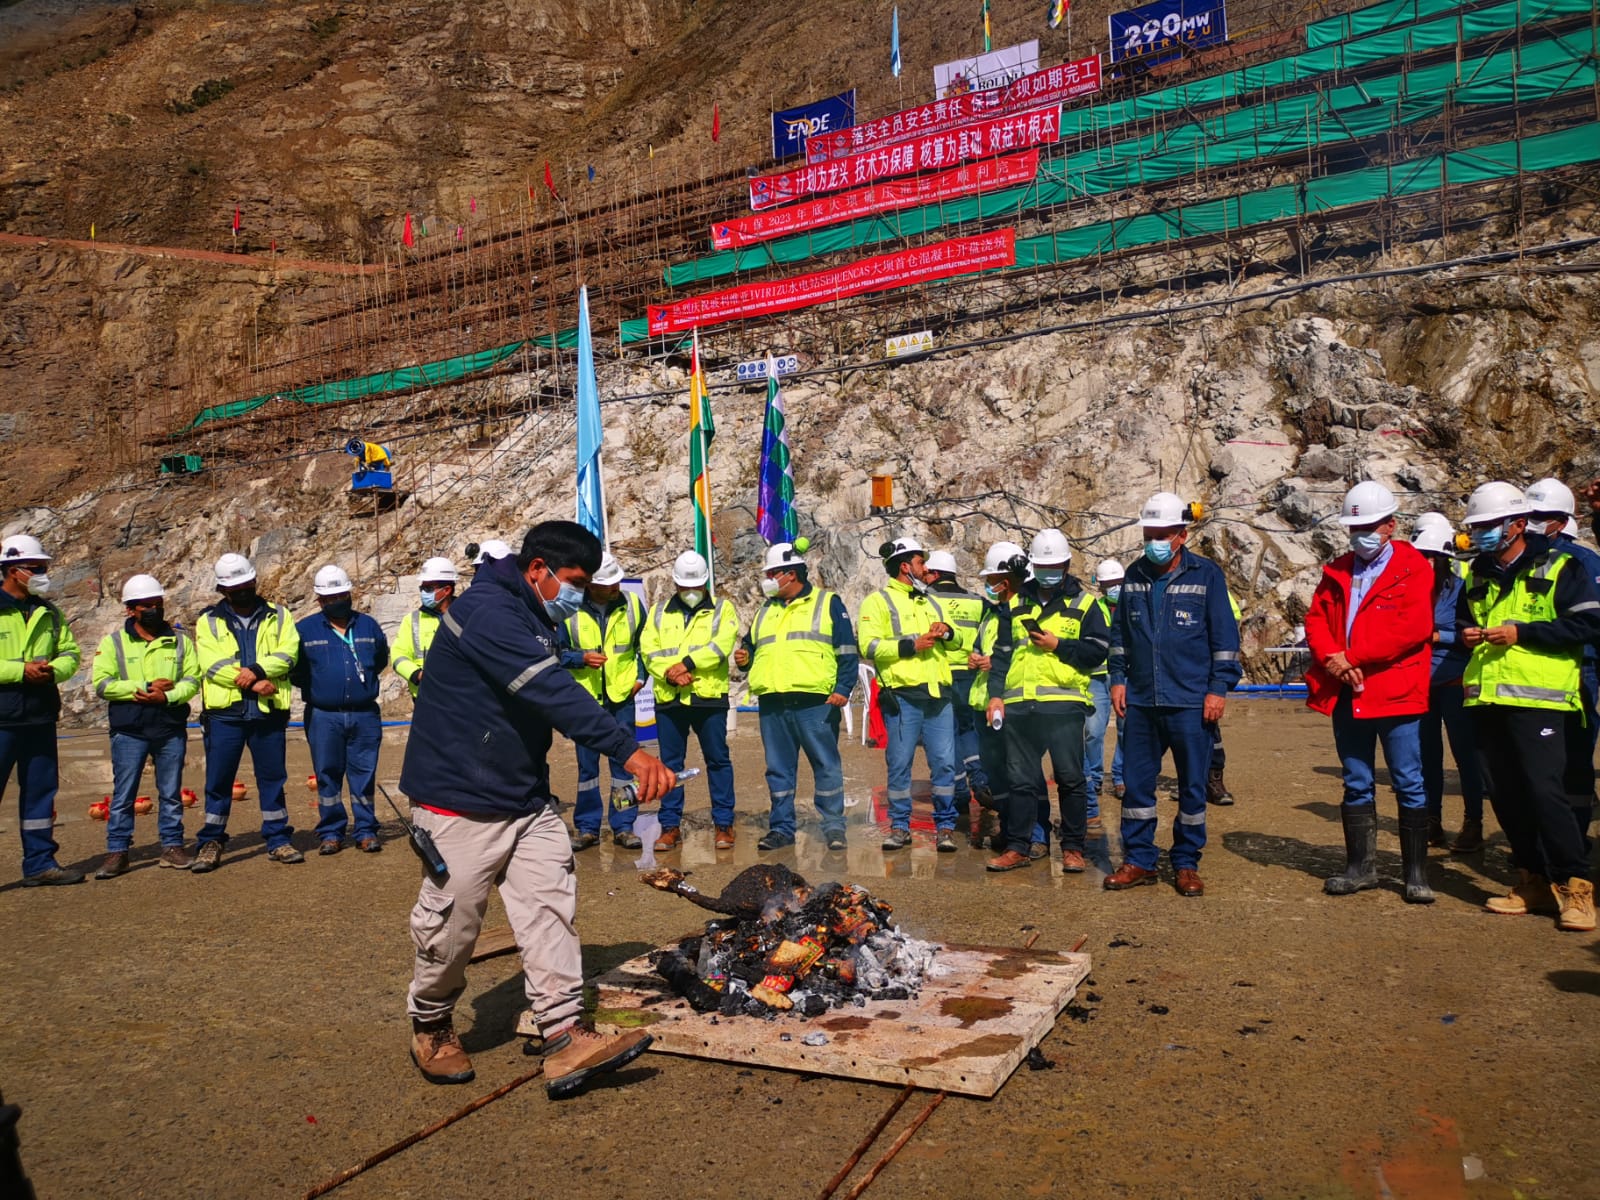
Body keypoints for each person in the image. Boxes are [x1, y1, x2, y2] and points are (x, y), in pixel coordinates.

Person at [399, 521, 674, 1095]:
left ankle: (563, 1034)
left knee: (550, 908)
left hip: (524, 797)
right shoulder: (489, 612)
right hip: (460, 802)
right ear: (537, 569)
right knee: (452, 928)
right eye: (572, 582)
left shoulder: (532, 613)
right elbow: (551, 690)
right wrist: (629, 751)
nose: (576, 594)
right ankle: (430, 1024)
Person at [1460, 481, 1600, 932]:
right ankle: (1532, 880)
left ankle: (1575, 885)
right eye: (1475, 526)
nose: (1479, 533)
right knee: (1504, 791)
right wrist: (1465, 632)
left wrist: (1524, 632)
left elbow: (1588, 623)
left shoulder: (1562, 565)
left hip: (1541, 700)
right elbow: (1467, 617)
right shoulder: (1477, 572)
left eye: (1487, 525)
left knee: (1546, 790)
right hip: (1488, 697)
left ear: (1517, 524)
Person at [1304, 482, 1437, 903]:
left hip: (1395, 692)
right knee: (1356, 780)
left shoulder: (1414, 567)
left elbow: (1411, 629)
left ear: (1390, 525)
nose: (1360, 533)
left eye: (1368, 525)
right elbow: (1316, 621)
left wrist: (1351, 657)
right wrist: (1332, 660)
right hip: (1348, 692)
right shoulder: (1338, 570)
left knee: (1408, 781)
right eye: (1354, 526)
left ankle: (1416, 874)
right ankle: (1360, 867)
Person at [1107, 493, 1241, 897]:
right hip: (1143, 702)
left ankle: (1185, 863)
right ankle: (1139, 860)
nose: (1153, 542)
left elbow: (1224, 638)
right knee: (1136, 786)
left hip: (1190, 702)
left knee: (1192, 787)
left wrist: (1218, 688)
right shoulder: (1133, 575)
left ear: (1182, 535)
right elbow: (1120, 637)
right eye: (1149, 535)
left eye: (1162, 535)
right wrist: (1117, 677)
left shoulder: (1206, 575)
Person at [985, 529, 1110, 874]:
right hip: (1019, 706)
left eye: (1055, 565)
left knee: (1070, 779)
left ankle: (1072, 848)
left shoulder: (1085, 604)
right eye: (1042, 566)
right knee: (1021, 782)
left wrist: (1059, 646)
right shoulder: (1015, 604)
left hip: (1063, 706)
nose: (1048, 571)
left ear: (1068, 564)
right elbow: (1001, 655)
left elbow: (1097, 653)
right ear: (1033, 566)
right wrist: (995, 695)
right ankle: (1019, 847)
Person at [734, 542, 857, 851]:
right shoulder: (766, 609)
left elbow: (846, 650)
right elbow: (751, 644)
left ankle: (833, 827)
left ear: (791, 574)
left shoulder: (828, 603)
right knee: (778, 769)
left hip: (815, 702)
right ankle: (781, 828)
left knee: (826, 765)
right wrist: (744, 656)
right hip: (773, 702)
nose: (768, 578)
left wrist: (844, 688)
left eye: (772, 572)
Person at [190, 553, 302, 873]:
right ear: (223, 590)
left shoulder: (279, 615)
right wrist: (252, 682)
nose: (241, 590)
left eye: (245, 583)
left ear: (253, 581)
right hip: (226, 713)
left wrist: (257, 669)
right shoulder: (208, 620)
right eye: (233, 586)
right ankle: (211, 840)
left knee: (272, 778)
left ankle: (278, 838)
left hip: (267, 713)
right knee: (219, 780)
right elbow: (211, 663)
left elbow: (288, 653)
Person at [89, 574, 199, 877]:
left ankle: (173, 846)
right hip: (130, 729)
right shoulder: (113, 643)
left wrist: (167, 696)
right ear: (130, 609)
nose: (153, 609)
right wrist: (145, 686)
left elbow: (192, 680)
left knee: (171, 792)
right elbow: (103, 683)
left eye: (157, 604)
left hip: (168, 726)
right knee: (124, 794)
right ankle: (117, 852)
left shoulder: (179, 641)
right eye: (146, 605)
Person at [857, 537, 959, 851]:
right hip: (902, 697)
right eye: (920, 562)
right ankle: (900, 827)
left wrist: (948, 631)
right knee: (899, 763)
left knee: (944, 764)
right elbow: (868, 646)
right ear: (905, 566)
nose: (926, 568)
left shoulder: (932, 600)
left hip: (938, 695)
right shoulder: (877, 602)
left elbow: (956, 642)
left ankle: (945, 827)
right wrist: (910, 645)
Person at [639, 551, 739, 851]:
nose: (691, 593)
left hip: (708, 697)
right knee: (669, 765)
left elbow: (721, 644)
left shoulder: (723, 609)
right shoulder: (659, 612)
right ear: (676, 585)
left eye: (695, 587)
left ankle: (723, 824)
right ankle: (670, 826)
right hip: (670, 698)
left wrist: (687, 664)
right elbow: (649, 650)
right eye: (685, 587)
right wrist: (671, 674)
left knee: (718, 760)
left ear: (706, 583)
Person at [0, 535, 83, 886]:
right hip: (2, 717)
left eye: (44, 568)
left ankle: (39, 863)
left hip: (39, 715)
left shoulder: (48, 611)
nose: (42, 574)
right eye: (35, 568)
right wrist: (20, 671)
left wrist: (53, 670)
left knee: (40, 793)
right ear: (12, 570)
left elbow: (71, 653)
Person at [293, 565, 389, 856]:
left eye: (341, 594)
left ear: (349, 593)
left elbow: (380, 659)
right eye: (329, 597)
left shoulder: (368, 625)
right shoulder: (305, 629)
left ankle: (365, 830)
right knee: (327, 774)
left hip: (364, 714)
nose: (336, 600)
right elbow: (297, 672)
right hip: (324, 715)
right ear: (319, 600)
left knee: (364, 773)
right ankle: (332, 831)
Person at [1524, 478, 1600, 845]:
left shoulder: (1583, 562)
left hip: (1578, 669)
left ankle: (1577, 836)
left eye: (1542, 516)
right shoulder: (1522, 558)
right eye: (1530, 514)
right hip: (1528, 669)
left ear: (1561, 521)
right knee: (1539, 764)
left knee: (1576, 757)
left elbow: (1590, 625)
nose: (1535, 521)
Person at [557, 553, 646, 851]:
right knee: (587, 769)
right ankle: (587, 827)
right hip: (585, 701)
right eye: (609, 584)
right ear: (592, 586)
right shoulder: (568, 608)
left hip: (622, 697)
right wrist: (578, 658)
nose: (616, 587)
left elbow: (644, 646)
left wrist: (641, 678)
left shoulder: (631, 604)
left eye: (617, 581)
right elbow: (554, 652)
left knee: (624, 764)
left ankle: (623, 826)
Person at [1410, 512, 1487, 852]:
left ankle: (1473, 823)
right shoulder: (1411, 590)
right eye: (1420, 556)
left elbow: (1473, 633)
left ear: (1444, 558)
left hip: (1455, 682)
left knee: (1466, 756)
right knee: (1427, 756)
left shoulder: (1461, 589)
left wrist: (1436, 635)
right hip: (1420, 685)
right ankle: (1432, 821)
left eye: (1430, 556)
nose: (1425, 562)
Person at [970, 543, 1033, 860]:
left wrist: (993, 662)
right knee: (999, 777)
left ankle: (1034, 836)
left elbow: (1027, 656)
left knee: (1023, 775)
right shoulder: (991, 614)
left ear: (1005, 579)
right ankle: (1010, 831)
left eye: (992, 577)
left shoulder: (1027, 611)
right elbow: (985, 647)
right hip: (986, 704)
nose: (989, 584)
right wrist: (975, 658)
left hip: (1013, 704)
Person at [924, 550, 988, 832]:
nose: (923, 577)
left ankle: (960, 792)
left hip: (940, 674)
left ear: (935, 574)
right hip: (971, 672)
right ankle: (980, 779)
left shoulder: (926, 600)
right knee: (969, 728)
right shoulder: (977, 601)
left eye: (926, 573)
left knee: (945, 735)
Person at [1085, 558, 1126, 830]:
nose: (1112, 588)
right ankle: (1096, 778)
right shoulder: (1093, 607)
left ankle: (1121, 778)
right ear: (1099, 585)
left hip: (1126, 675)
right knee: (1093, 731)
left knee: (1128, 729)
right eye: (1107, 584)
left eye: (1115, 583)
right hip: (1098, 676)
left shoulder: (1132, 604)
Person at [392, 556, 458, 700]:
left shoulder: (466, 615)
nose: (423, 593)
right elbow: (398, 655)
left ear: (447, 590)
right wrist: (417, 674)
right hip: (426, 697)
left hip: (462, 696)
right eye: (422, 588)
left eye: (428, 588)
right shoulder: (412, 620)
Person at [1206, 590, 1244, 807]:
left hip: (1206, 671)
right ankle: (1190, 782)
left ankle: (1214, 780)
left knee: (1212, 732)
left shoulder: (1214, 589)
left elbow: (1228, 636)